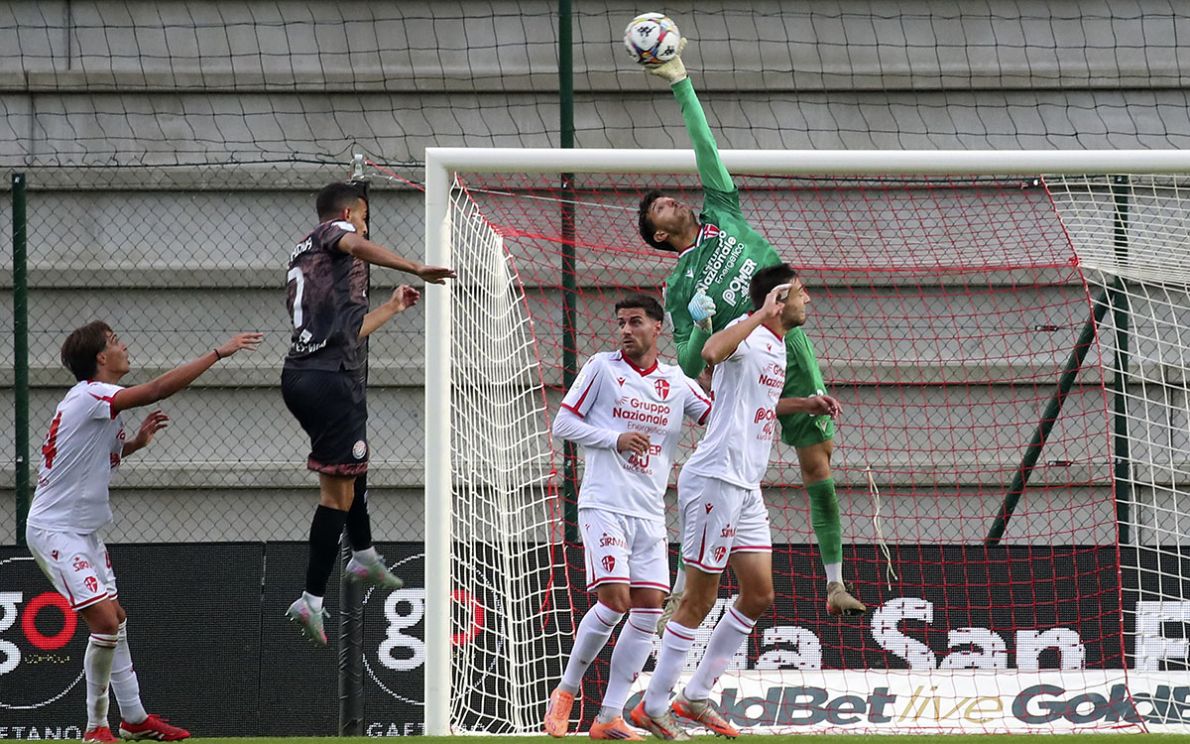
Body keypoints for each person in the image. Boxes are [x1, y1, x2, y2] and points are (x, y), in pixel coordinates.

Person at [637, 42, 865, 621]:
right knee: (714, 466)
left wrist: (678, 79)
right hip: (739, 360)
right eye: (655, 211)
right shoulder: (678, 288)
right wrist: (709, 322)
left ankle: (835, 582)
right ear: (659, 237)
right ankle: (681, 583)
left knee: (818, 463)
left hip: (790, 344)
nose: (665, 200)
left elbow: (704, 145)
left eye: (665, 198)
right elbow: (690, 366)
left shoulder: (721, 213)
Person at [26, 321, 262, 743]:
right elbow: (155, 390)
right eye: (115, 342)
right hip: (54, 529)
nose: (124, 347)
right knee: (102, 620)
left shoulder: (102, 409)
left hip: (84, 531)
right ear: (101, 357)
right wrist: (217, 353)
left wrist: (136, 443)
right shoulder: (92, 395)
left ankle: (133, 718)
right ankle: (95, 727)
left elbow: (101, 458)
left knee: (115, 620)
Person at [630, 264, 806, 740]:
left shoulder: (777, 346)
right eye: (801, 293)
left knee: (759, 594)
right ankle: (653, 703)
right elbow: (710, 351)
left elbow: (755, 405)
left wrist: (806, 404)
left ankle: (697, 695)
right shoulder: (743, 332)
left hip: (746, 485)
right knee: (700, 597)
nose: (807, 301)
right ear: (780, 297)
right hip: (715, 479)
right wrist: (759, 314)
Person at [282, 182, 454, 645]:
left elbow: (350, 330)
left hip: (303, 376)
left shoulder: (305, 255)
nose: (362, 227)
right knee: (336, 495)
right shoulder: (336, 233)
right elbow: (354, 241)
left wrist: (394, 306)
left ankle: (365, 552)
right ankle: (312, 598)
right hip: (330, 381)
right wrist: (415, 265)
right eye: (363, 217)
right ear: (345, 212)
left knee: (352, 465)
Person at [544, 294, 712, 741]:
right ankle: (566, 691)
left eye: (635, 322)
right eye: (621, 323)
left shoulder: (677, 381)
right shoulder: (603, 367)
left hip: (649, 513)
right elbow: (563, 423)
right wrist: (613, 438)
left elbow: (716, 416)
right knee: (615, 601)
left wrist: (720, 353)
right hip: (604, 505)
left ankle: (610, 716)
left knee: (647, 610)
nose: (625, 330)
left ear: (657, 328)